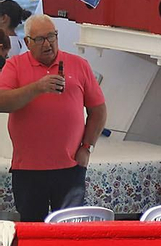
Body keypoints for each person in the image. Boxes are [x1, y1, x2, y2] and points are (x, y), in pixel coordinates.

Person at [0, 15, 106, 221]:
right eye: (40, 39)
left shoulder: (79, 64)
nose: (48, 43)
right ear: (28, 42)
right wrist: (38, 88)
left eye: (52, 36)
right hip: (28, 170)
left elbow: (99, 111)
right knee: (33, 231)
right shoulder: (14, 65)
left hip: (70, 168)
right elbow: (3, 102)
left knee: (69, 231)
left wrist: (87, 148)